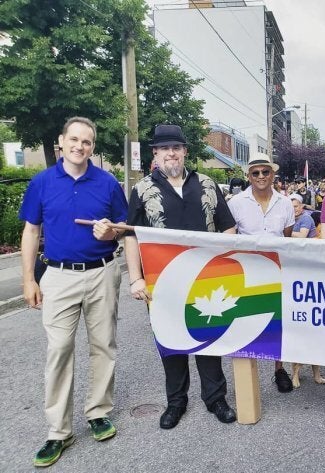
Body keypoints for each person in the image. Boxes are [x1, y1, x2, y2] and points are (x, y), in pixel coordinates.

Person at [19, 117, 128, 467]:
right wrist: (28, 279)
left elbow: (122, 230)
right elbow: (31, 231)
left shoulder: (108, 183)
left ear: (93, 147)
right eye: (75, 140)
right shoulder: (42, 182)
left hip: (102, 273)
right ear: (61, 142)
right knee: (60, 349)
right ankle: (58, 432)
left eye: (87, 142)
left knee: (103, 345)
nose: (80, 146)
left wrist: (109, 233)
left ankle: (98, 412)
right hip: (58, 276)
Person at [125, 124, 238, 430]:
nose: (171, 153)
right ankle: (176, 402)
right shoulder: (143, 190)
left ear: (185, 151)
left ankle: (215, 398)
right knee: (170, 342)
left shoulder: (207, 184)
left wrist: (222, 263)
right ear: (156, 154)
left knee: (208, 339)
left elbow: (228, 226)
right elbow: (131, 236)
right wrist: (136, 278)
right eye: (164, 149)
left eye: (176, 147)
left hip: (205, 280)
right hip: (162, 284)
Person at [228, 152, 295, 392]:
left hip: (277, 270)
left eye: (265, 172)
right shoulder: (235, 203)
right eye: (255, 173)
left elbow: (287, 237)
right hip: (247, 272)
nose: (261, 176)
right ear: (248, 176)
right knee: (246, 322)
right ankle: (249, 371)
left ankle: (279, 369)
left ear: (272, 174)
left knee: (278, 322)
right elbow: (230, 238)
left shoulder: (285, 203)